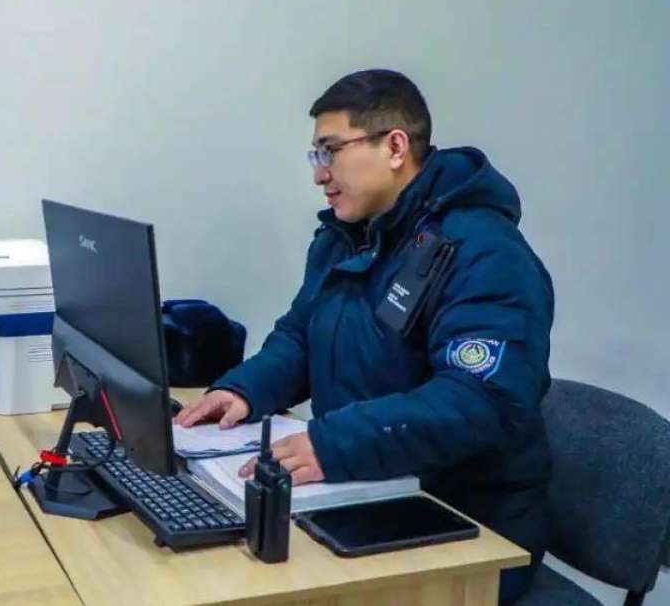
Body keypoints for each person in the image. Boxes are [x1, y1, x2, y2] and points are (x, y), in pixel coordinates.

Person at [175, 70, 553, 605]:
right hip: (364, 487)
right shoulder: (344, 238)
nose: (319, 175)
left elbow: (480, 400)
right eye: (315, 156)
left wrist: (335, 444)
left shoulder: (486, 253)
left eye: (330, 151)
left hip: (464, 523)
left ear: (395, 146)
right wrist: (241, 390)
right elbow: (301, 337)